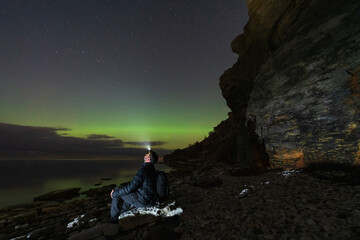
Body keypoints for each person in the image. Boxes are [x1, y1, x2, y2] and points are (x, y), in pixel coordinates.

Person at [109, 150, 158, 222]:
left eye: (147, 154)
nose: (145, 154)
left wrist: (114, 194)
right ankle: (123, 214)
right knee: (128, 192)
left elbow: (130, 188)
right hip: (149, 199)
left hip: (143, 201)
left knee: (117, 190)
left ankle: (113, 220)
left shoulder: (143, 170)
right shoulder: (153, 170)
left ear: (148, 159)